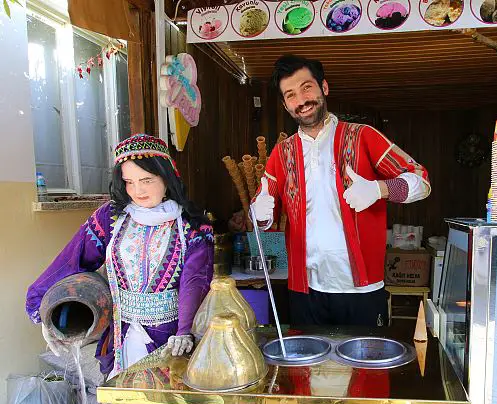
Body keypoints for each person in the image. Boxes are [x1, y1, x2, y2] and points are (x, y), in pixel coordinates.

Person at [251, 54, 430, 326]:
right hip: (305, 290)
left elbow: (421, 180)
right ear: (285, 104)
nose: (301, 100)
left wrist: (380, 188)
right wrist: (260, 212)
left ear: (324, 87)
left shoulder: (363, 136)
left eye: (306, 87)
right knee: (309, 368)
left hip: (362, 291)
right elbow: (262, 209)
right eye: (290, 95)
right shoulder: (282, 152)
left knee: (365, 368)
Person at [26, 134, 214, 379]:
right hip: (121, 333)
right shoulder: (111, 217)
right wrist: (41, 303)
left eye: (146, 180)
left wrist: (185, 330)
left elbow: (195, 281)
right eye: (129, 182)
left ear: (167, 177)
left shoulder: (192, 225)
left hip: (172, 338)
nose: (138, 190)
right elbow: (73, 258)